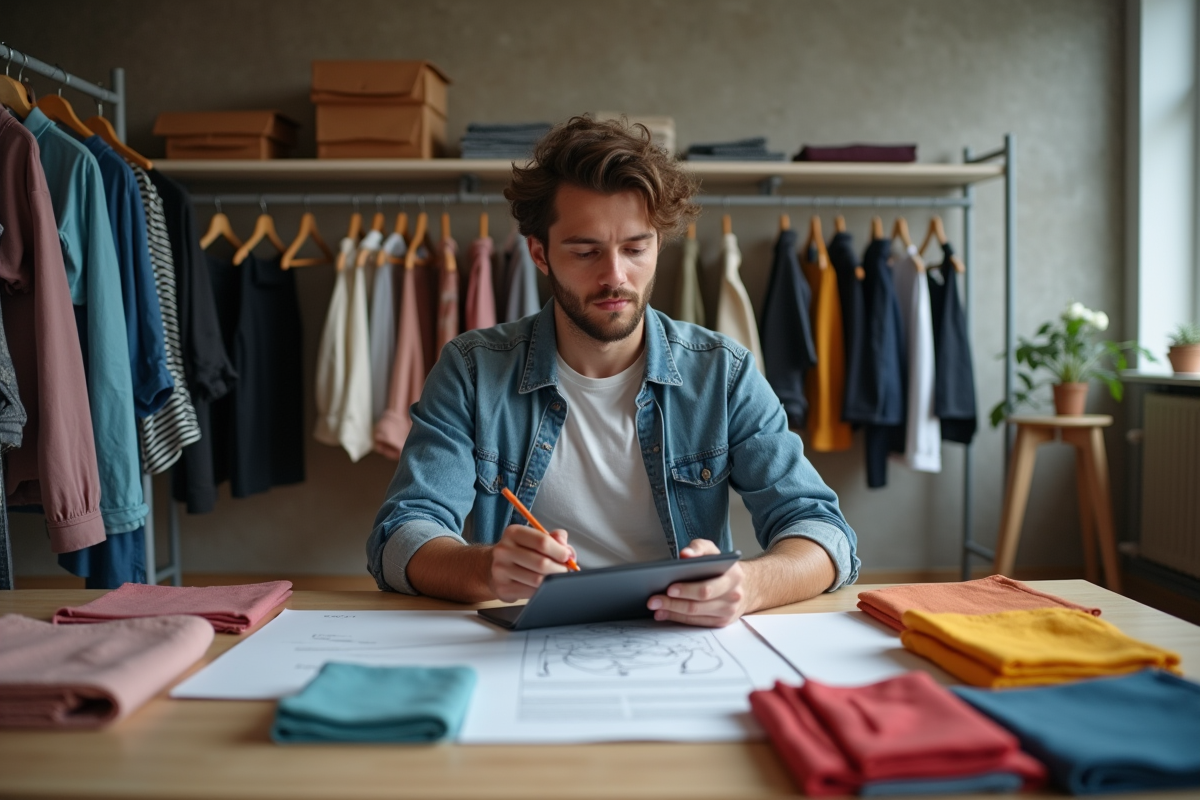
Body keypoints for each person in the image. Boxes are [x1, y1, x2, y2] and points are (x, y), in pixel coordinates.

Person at [367, 116, 859, 627]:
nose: (614, 277)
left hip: (680, 640)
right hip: (525, 642)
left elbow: (824, 532)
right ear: (540, 254)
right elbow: (400, 536)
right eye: (585, 252)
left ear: (658, 248)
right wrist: (488, 568)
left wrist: (748, 587)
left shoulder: (723, 372)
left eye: (635, 249)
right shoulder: (471, 369)